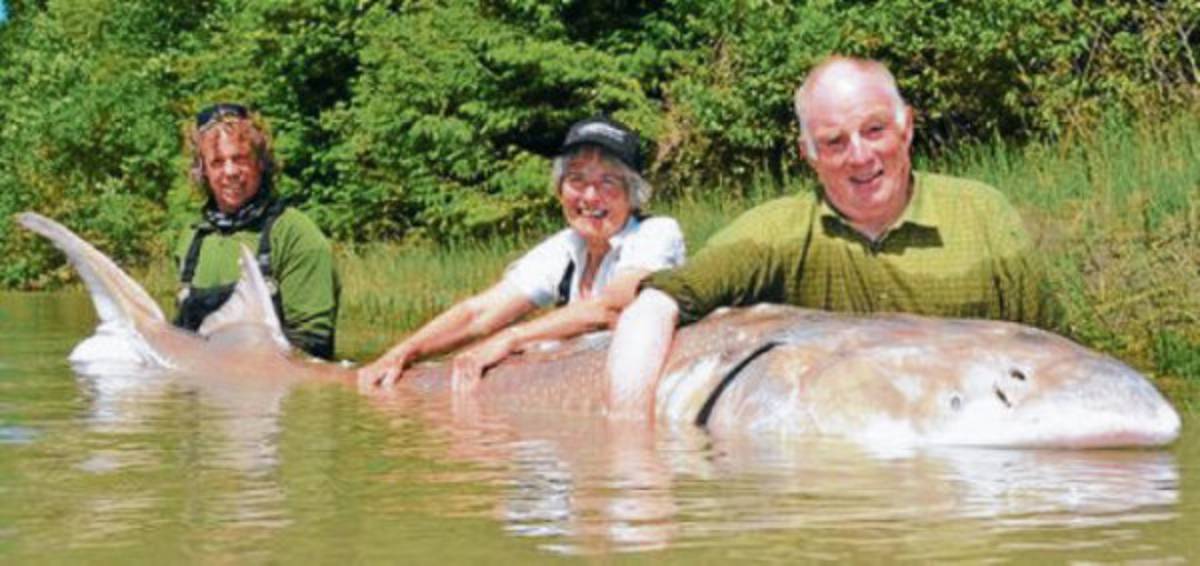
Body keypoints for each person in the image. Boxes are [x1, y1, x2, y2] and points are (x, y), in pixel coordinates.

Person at [606, 56, 1055, 417]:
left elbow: (1054, 349)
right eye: (835, 142)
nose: (860, 156)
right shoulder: (775, 231)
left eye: (875, 130)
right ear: (809, 154)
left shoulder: (983, 213)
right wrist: (629, 452)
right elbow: (656, 304)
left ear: (907, 127)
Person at [360, 116, 686, 389]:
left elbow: (614, 308)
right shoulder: (566, 246)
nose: (590, 196)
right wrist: (403, 353)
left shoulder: (657, 233)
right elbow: (479, 315)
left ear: (633, 194)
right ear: (559, 190)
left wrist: (513, 338)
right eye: (576, 179)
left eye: (608, 183)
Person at [174, 103, 340, 359]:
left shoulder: (297, 234)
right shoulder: (193, 237)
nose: (230, 172)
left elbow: (313, 345)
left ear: (261, 162)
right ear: (203, 171)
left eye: (240, 159)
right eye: (217, 162)